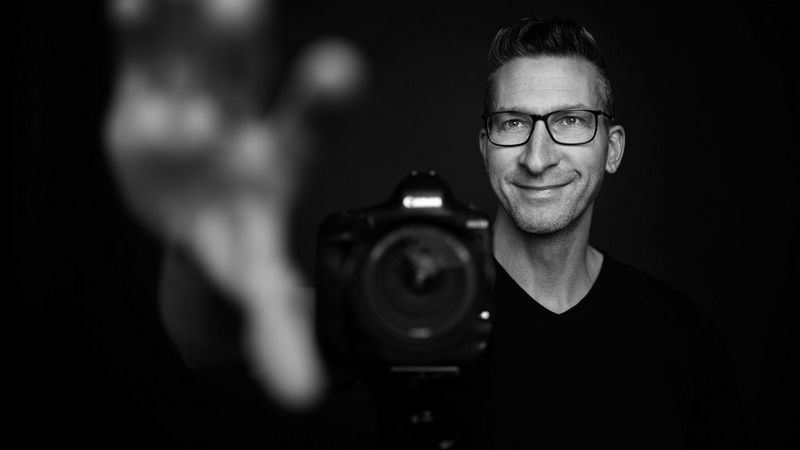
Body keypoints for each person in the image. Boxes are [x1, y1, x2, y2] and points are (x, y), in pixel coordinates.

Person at [105, 2, 748, 448]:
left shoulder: (682, 338)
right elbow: (213, 344)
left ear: (613, 148)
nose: (538, 155)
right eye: (513, 123)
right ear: (485, 146)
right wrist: (199, 243)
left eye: (571, 122)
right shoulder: (408, 285)